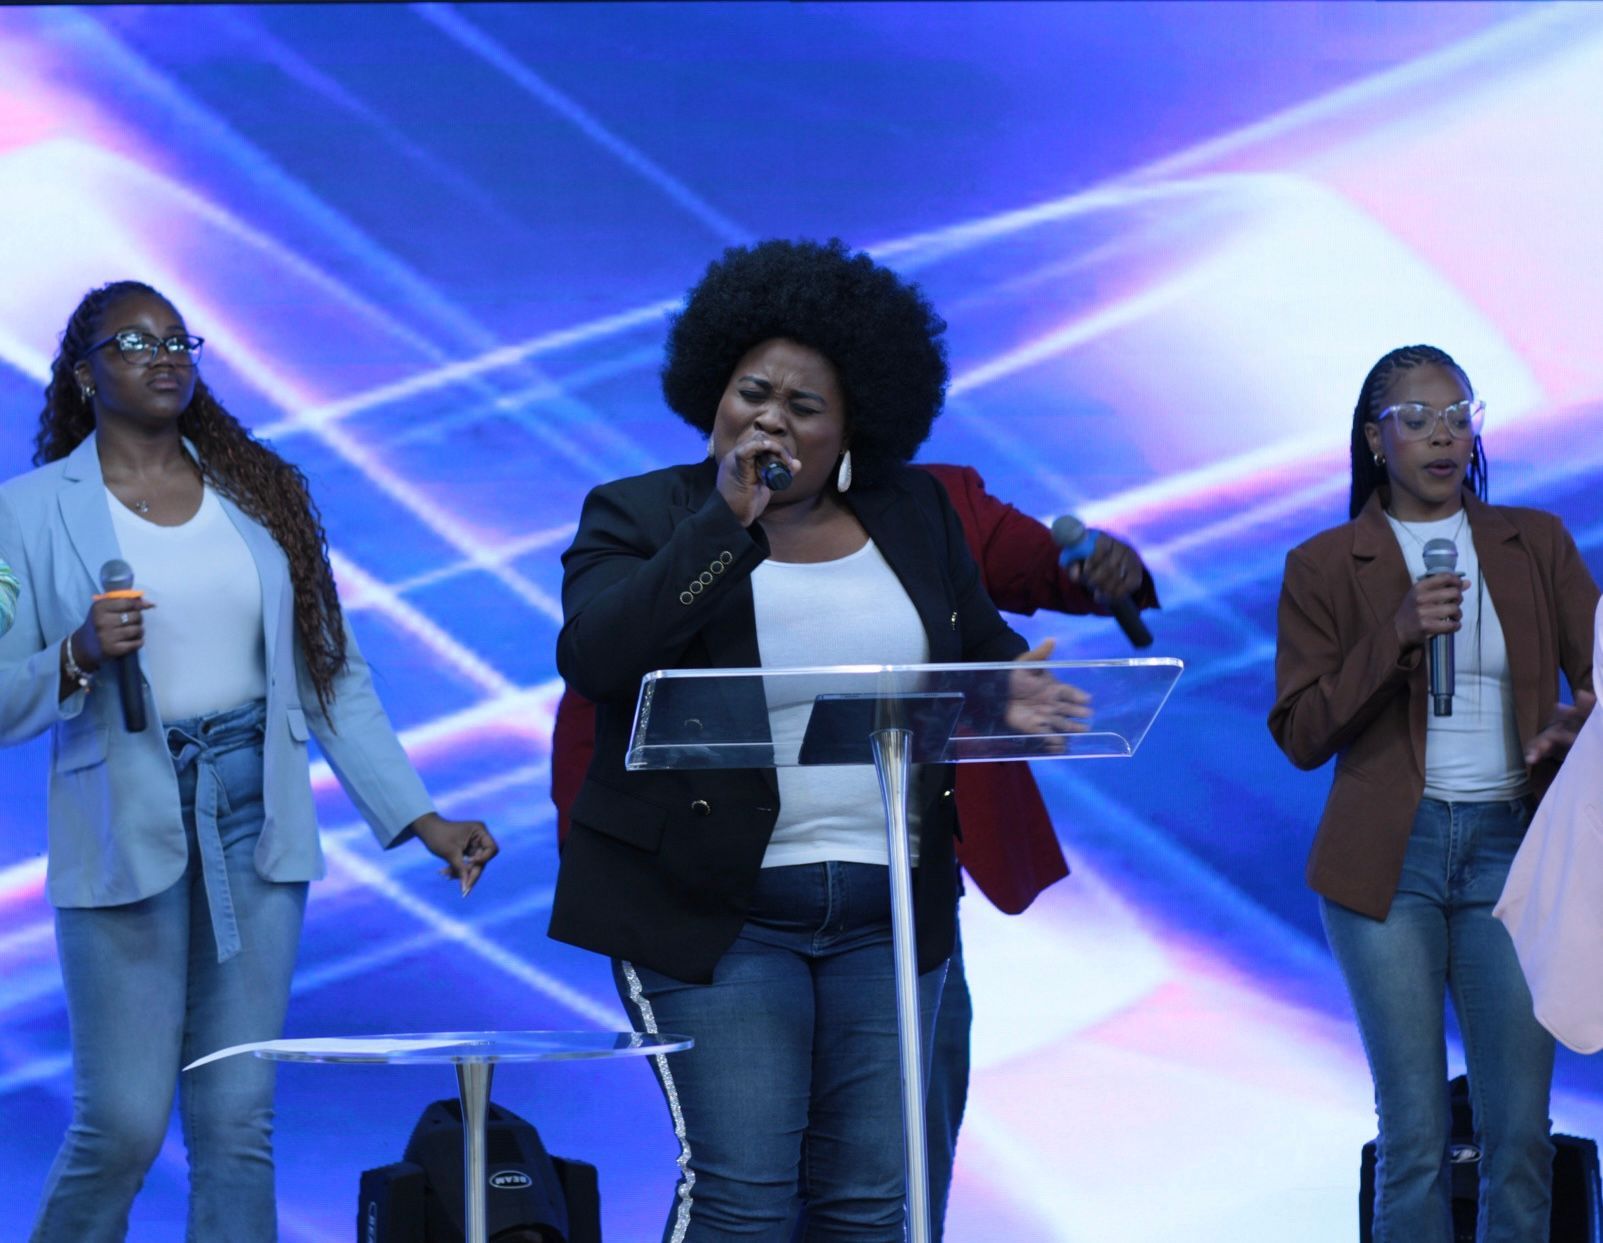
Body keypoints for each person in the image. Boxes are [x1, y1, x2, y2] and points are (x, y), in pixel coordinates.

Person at [550, 237, 1089, 1241]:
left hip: (889, 905)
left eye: (804, 406)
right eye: (753, 392)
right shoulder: (638, 512)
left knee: (867, 1208)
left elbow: (977, 653)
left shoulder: (915, 513)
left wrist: (1009, 695)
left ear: (854, 430)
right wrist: (725, 521)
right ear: (714, 387)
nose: (769, 418)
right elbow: (598, 655)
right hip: (714, 913)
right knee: (744, 1203)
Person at [0, 280, 500, 1243]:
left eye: (177, 337)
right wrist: (76, 653)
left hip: (255, 813)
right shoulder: (25, 512)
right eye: (132, 341)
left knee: (237, 1119)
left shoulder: (258, 490)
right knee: (124, 1124)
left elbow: (331, 673)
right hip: (125, 821)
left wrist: (421, 818)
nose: (163, 354)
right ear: (83, 373)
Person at [1268, 344, 1598, 1243]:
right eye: (1415, 418)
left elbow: (1599, 679)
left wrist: (1576, 727)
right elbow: (1300, 732)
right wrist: (1397, 633)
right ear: (1376, 440)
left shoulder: (1534, 543)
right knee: (1413, 1134)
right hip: (1388, 860)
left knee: (1519, 1135)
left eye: (1458, 413)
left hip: (1512, 850)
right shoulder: (1325, 564)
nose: (1441, 434)